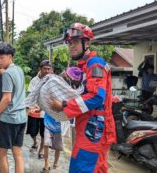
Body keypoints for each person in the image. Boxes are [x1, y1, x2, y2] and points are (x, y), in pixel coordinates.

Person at [50, 23, 116, 173]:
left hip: (94, 130)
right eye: (69, 43)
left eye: (74, 42)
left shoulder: (95, 64)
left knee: (82, 168)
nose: (70, 46)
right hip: (88, 127)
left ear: (86, 43)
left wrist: (64, 105)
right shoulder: (83, 67)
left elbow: (96, 97)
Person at [0, 43, 27, 173]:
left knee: (1, 153)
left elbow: (6, 99)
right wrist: (4, 73)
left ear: (10, 56)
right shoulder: (19, 70)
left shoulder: (8, 74)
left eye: (1, 58)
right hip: (21, 118)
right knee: (17, 153)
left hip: (9, 119)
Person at [26, 60, 53, 158]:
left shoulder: (51, 81)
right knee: (32, 131)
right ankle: (35, 142)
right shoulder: (34, 80)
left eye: (49, 69)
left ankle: (41, 150)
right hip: (34, 110)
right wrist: (34, 105)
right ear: (40, 69)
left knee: (43, 133)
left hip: (45, 112)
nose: (47, 71)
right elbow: (30, 93)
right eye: (45, 69)